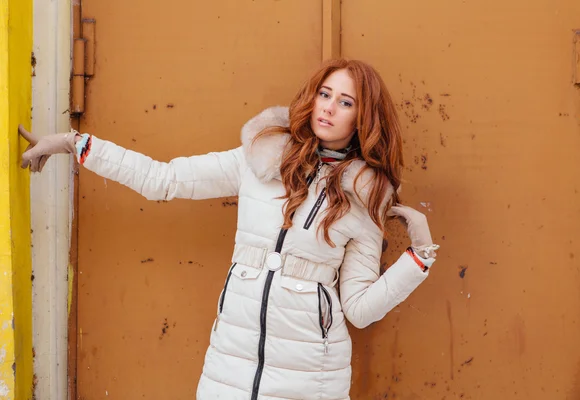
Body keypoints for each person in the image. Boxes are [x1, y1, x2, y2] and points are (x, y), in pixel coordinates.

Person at [19, 59, 439, 400]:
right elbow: (162, 179)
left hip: (311, 379)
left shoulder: (366, 194)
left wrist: (418, 255)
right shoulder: (259, 157)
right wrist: (74, 144)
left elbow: (360, 310)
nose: (328, 107)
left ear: (363, 117)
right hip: (229, 368)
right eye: (325, 94)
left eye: (345, 102)